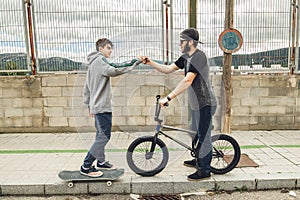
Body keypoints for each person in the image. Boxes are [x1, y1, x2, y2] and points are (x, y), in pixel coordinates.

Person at [140, 28, 217, 181]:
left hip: (206, 103)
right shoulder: (186, 57)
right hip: (196, 104)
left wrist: (168, 98)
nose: (179, 43)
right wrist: (151, 63)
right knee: (194, 132)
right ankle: (199, 159)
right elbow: (169, 69)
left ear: (190, 42)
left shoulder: (199, 57)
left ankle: (205, 170)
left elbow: (188, 81)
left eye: (182, 41)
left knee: (203, 136)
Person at [81, 38, 139, 177]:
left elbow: (86, 87)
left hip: (97, 106)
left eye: (111, 48)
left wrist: (89, 104)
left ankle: (100, 161)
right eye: (108, 48)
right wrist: (135, 61)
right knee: (104, 137)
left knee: (99, 135)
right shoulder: (101, 61)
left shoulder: (93, 63)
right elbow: (115, 69)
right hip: (103, 107)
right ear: (100, 49)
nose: (110, 51)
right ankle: (86, 166)